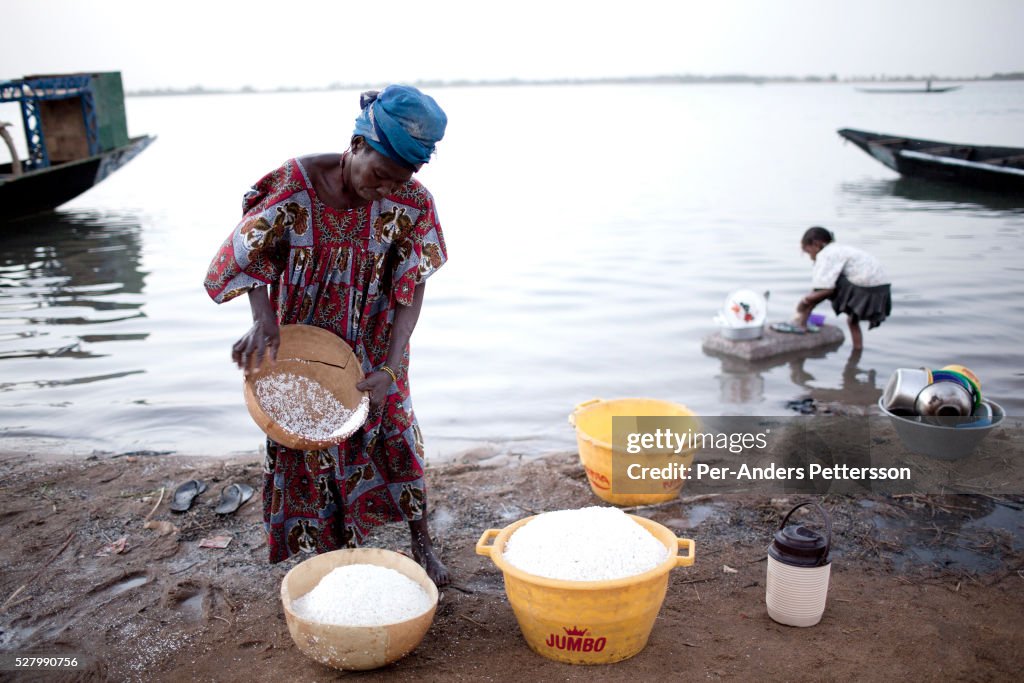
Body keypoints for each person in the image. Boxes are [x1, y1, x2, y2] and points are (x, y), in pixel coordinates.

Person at [203, 84, 451, 585]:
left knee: (397, 434)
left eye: (395, 182)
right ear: (357, 145)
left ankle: (423, 547)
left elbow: (412, 286)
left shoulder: (412, 202)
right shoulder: (293, 186)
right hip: (304, 337)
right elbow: (245, 254)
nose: (383, 190)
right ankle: (330, 558)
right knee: (306, 441)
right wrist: (262, 316)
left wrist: (390, 364)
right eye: (378, 176)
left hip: (378, 339)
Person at [792, 226, 891, 350]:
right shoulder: (839, 249)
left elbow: (825, 289)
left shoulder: (826, 253)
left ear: (816, 244)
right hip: (881, 290)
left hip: (866, 289)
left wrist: (804, 302)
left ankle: (802, 323)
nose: (811, 258)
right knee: (852, 320)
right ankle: (857, 351)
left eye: (809, 252)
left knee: (821, 291)